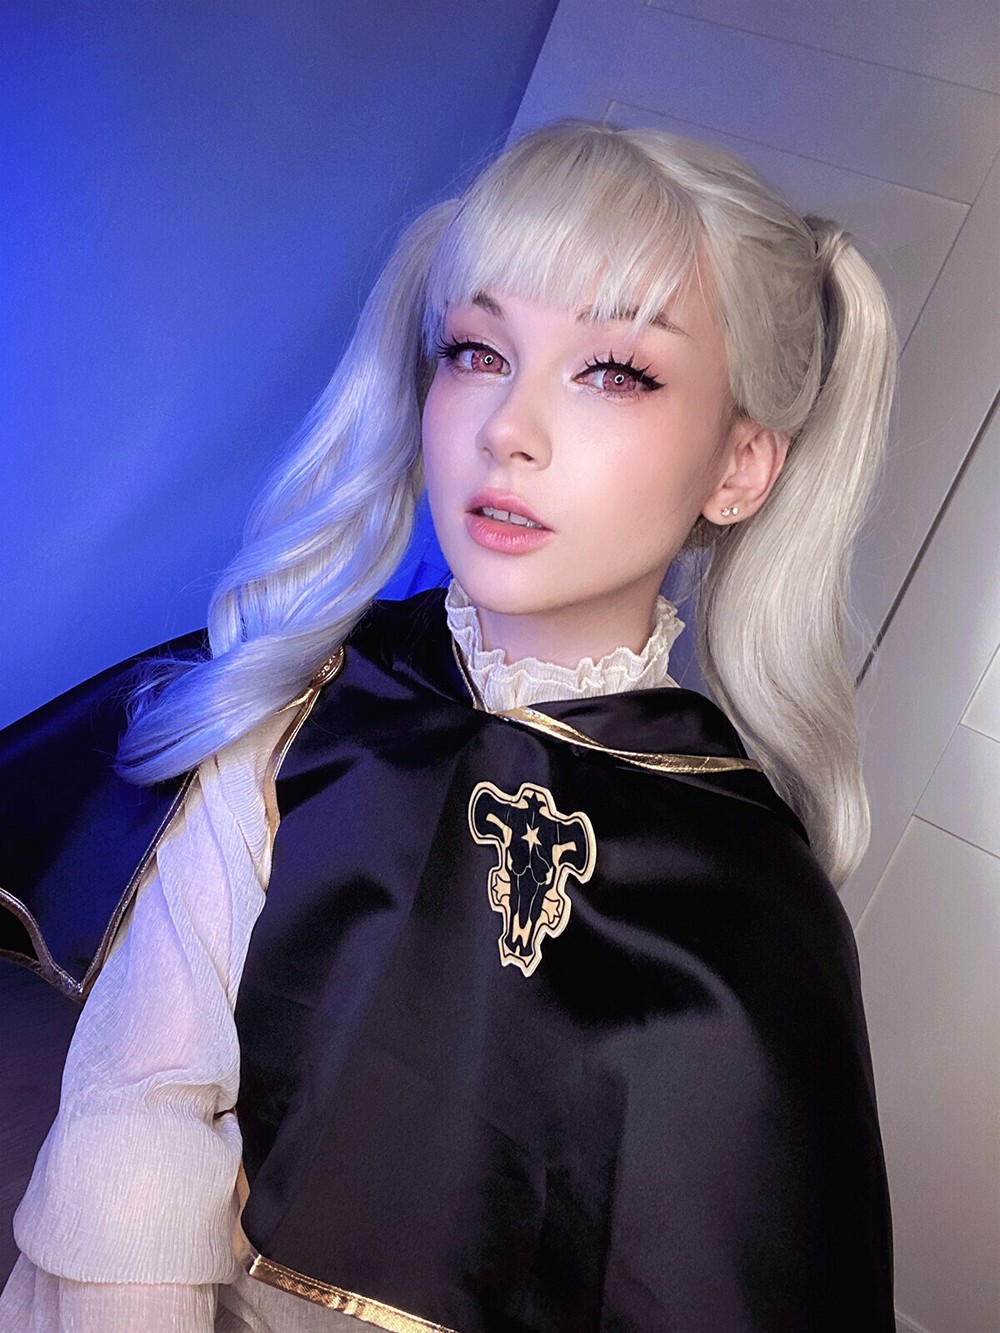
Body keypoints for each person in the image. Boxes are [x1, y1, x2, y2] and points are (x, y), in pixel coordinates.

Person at [0, 119, 896, 1331]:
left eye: (612, 370)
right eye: (477, 351)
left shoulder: (750, 892)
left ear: (740, 466)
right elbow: (140, 1104)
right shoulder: (299, 703)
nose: (506, 428)